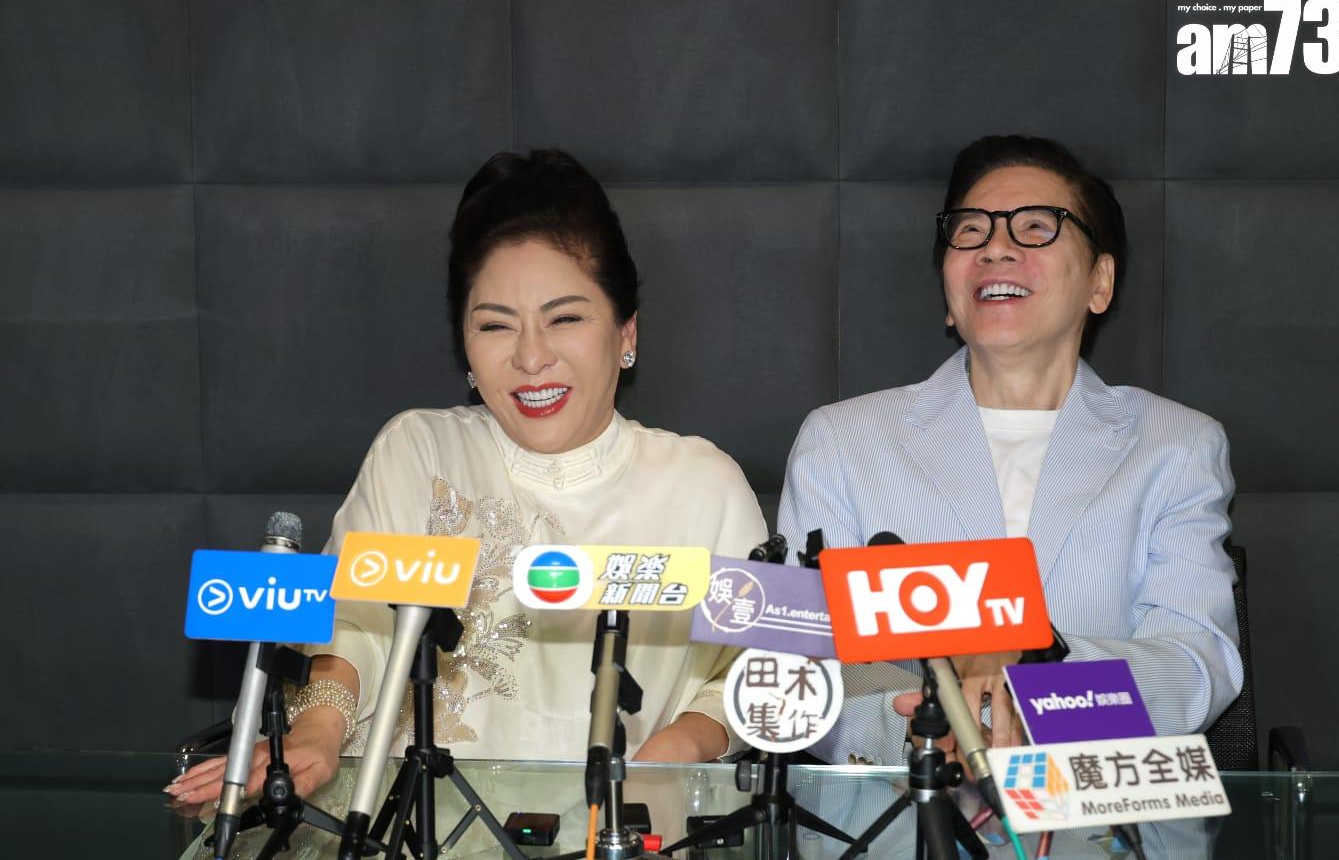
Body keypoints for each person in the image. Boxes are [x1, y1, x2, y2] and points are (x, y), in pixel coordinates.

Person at [168, 148, 766, 812]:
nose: (531, 357)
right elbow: (352, 628)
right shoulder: (420, 451)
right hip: (403, 829)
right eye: (495, 325)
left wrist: (682, 745)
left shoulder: (702, 486)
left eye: (565, 318)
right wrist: (317, 729)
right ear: (466, 347)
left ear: (626, 333)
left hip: (619, 834)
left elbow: (757, 672)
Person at [778, 134, 1242, 767]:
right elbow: (802, 662)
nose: (995, 247)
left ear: (1099, 282)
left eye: (1036, 227)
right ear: (949, 292)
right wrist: (924, 731)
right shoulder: (843, 442)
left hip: (1093, 808)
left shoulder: (1175, 445)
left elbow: (1195, 662)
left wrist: (1040, 684)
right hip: (902, 807)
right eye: (970, 231)